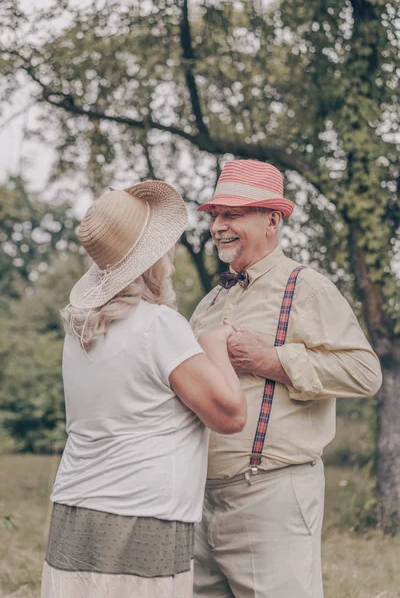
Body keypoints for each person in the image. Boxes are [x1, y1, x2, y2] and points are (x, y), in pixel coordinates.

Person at [40, 180, 247, 598]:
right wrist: (214, 347)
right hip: (142, 514)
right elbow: (229, 416)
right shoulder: (159, 325)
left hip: (75, 510)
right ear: (154, 258)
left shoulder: (81, 329)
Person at [190, 159, 382, 598]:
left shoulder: (307, 287)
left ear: (273, 220)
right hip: (200, 497)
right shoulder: (209, 302)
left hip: (272, 494)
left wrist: (269, 360)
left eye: (233, 214)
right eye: (216, 214)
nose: (218, 225)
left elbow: (365, 373)